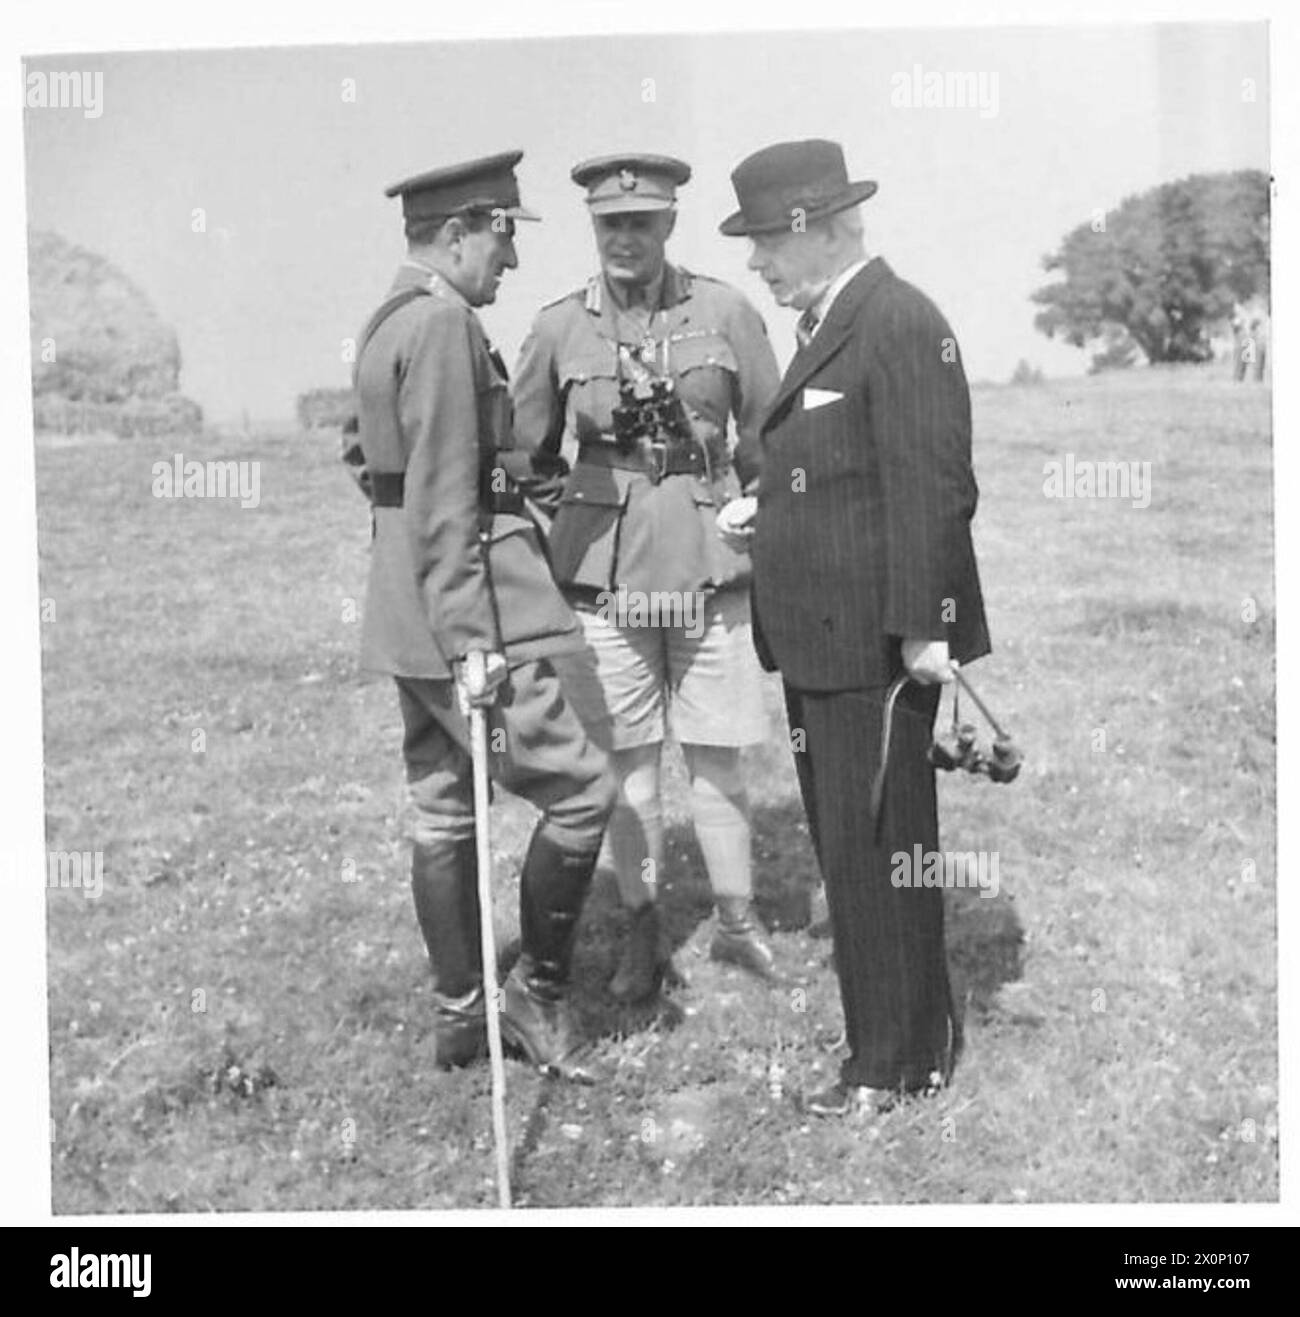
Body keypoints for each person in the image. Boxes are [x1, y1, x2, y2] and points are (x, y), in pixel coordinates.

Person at [716, 140, 991, 1115]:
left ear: (814, 230)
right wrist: (770, 515)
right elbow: (851, 480)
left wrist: (927, 632)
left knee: (875, 856)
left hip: (873, 649)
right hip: (823, 646)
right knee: (857, 853)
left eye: (762, 242)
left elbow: (933, 488)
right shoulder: (833, 323)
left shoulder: (898, 321)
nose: (755, 263)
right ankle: (907, 1043)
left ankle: (891, 1065)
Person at [351, 151, 616, 1079]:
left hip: (405, 613)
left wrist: (405, 557)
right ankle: (536, 993)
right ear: (458, 232)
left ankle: (461, 1015)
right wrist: (471, 640)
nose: (508, 259)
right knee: (583, 794)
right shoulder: (443, 327)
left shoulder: (385, 321)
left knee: (443, 807)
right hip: (469, 621)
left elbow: (370, 462)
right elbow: (446, 494)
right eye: (502, 237)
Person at [512, 153, 782, 1002]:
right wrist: (583, 514)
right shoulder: (560, 328)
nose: (626, 238)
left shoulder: (727, 313)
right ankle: (641, 928)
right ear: (595, 229)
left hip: (709, 565)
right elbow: (524, 451)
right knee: (627, 764)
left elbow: (769, 433)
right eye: (610, 224)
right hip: (609, 580)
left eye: (642, 222)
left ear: (669, 225)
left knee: (718, 757)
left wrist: (751, 501)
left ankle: (737, 924)